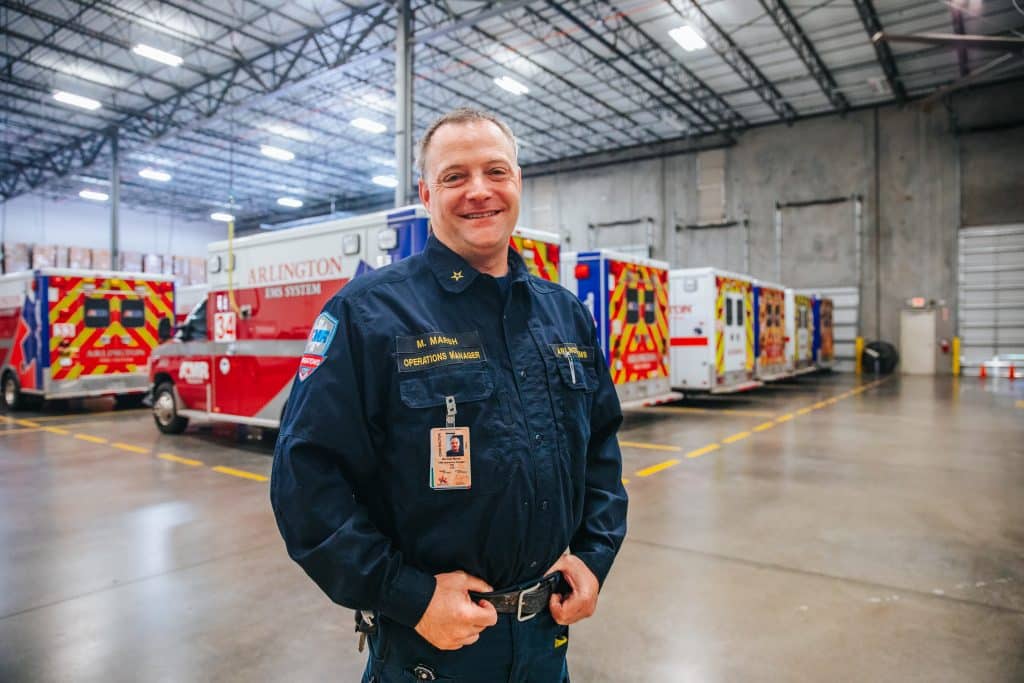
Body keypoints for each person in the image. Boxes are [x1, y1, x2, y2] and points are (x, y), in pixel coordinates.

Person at [270, 108, 628, 683]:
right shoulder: (368, 315)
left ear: (518, 183)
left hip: (546, 642)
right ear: (426, 192)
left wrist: (594, 554)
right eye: (455, 176)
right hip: (428, 653)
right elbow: (305, 483)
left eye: (496, 172)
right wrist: (408, 595)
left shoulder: (564, 315)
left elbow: (602, 451)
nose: (479, 191)